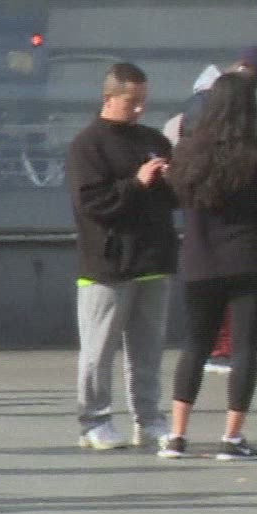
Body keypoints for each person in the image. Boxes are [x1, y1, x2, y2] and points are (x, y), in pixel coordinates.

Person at [161, 72, 257, 460]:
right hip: (253, 262)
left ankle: (177, 435)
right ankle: (231, 438)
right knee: (245, 349)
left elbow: (176, 199)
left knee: (195, 345)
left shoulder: (188, 154)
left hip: (200, 262)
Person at [64, 62, 178, 452]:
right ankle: (94, 421)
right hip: (106, 265)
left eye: (143, 101)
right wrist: (137, 183)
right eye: (132, 102)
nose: (140, 109)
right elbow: (91, 203)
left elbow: (174, 199)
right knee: (98, 351)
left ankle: (149, 420)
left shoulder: (153, 139)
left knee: (147, 352)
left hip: (153, 260)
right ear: (109, 98)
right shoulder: (88, 145)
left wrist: (173, 180)